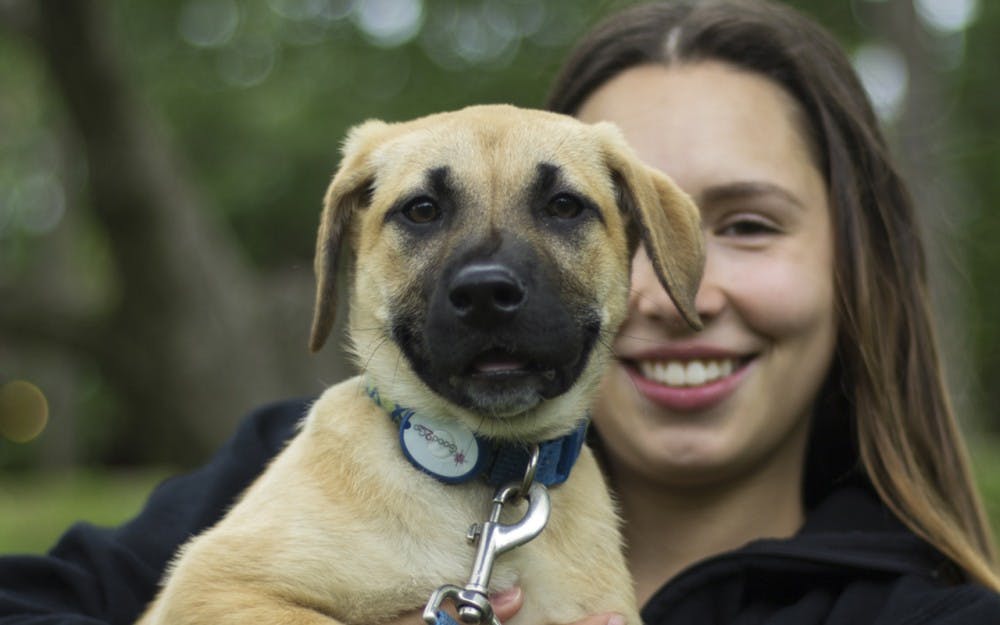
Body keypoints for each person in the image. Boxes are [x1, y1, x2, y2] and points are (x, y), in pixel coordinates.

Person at [1, 1, 998, 623]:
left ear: (855, 256)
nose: (485, 275)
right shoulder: (275, 465)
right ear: (346, 242)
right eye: (424, 213)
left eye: (564, 210)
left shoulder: (922, 610)